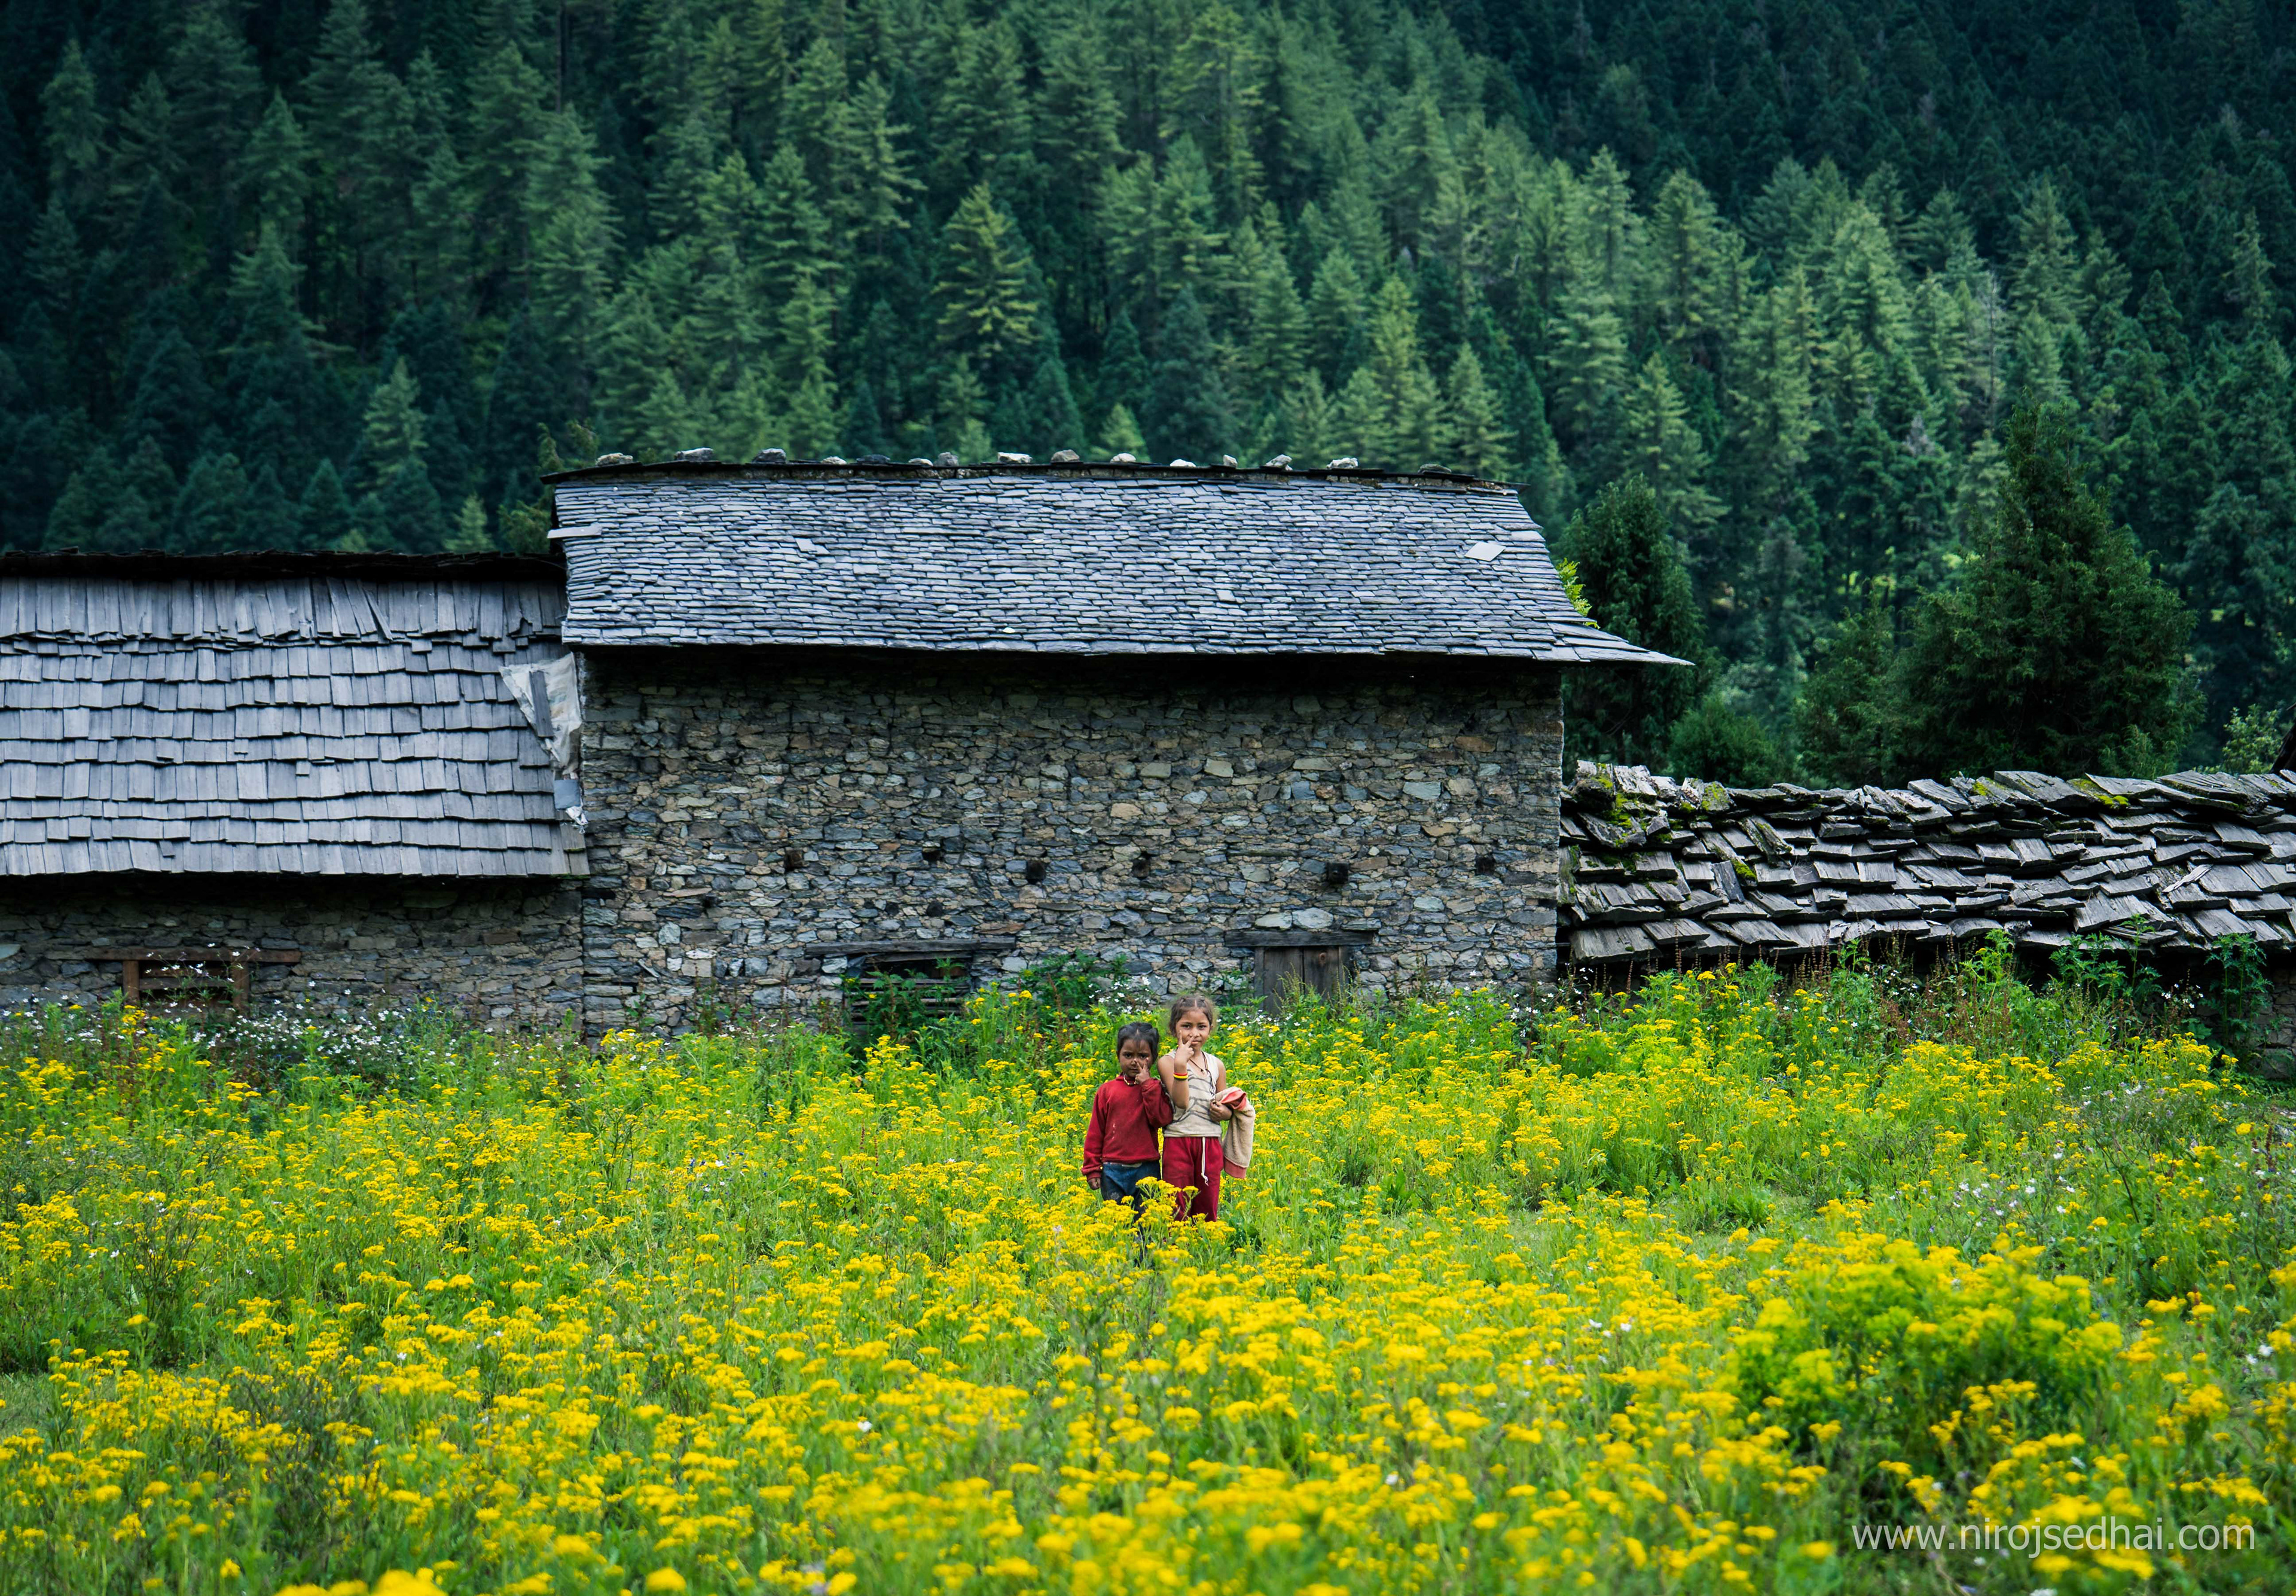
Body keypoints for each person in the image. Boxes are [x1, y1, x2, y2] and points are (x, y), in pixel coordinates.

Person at [1156, 992, 1233, 1220]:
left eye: (1202, 1027)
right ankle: (1176, 1243)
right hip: (1178, 1140)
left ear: (1211, 1029)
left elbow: (1224, 1103)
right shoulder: (1168, 1062)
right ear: (1174, 1029)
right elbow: (1181, 1102)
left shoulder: (1217, 1064)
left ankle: (1204, 1240)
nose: (1194, 1033)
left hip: (1210, 1142)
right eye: (1186, 1026)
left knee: (1207, 1204)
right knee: (1176, 1205)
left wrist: (1225, 1113)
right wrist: (1181, 1065)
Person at [1082, 1020, 1171, 1209]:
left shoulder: (1155, 1088)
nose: (1135, 1062)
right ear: (1118, 1055)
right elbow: (1096, 1132)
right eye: (1128, 1055)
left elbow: (1161, 1119)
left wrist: (1147, 1086)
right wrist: (1092, 1168)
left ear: (1153, 1058)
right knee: (1117, 1219)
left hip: (1147, 1167)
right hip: (1112, 1169)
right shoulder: (1107, 1091)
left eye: (1143, 1056)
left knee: (1147, 1220)